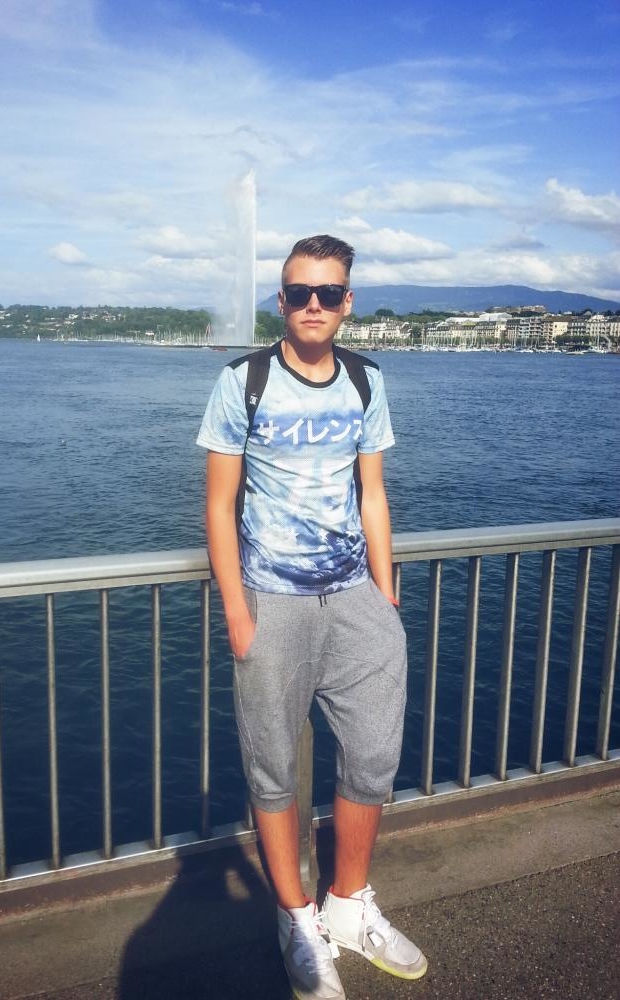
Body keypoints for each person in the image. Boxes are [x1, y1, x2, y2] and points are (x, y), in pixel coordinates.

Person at [197, 235, 427, 999]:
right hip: (272, 600)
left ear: (348, 301)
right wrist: (237, 610)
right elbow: (219, 505)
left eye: (329, 292)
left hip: (357, 597)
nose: (314, 305)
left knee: (373, 754)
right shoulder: (245, 382)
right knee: (273, 769)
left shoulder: (366, 380)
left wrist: (385, 595)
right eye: (300, 293)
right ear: (282, 301)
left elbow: (373, 494)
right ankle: (296, 920)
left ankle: (348, 905)